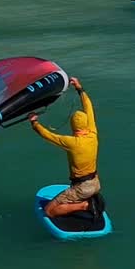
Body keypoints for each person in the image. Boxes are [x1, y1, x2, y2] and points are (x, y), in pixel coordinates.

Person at [29, 77, 100, 219]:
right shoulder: (93, 133)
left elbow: (48, 135)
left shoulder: (71, 142)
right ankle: (85, 201)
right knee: (73, 193)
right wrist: (79, 88)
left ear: (73, 126)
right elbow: (88, 107)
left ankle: (85, 205)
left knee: (49, 211)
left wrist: (34, 122)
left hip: (82, 188)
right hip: (95, 183)